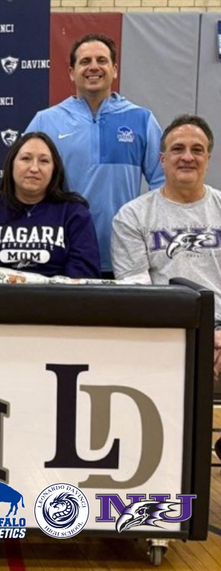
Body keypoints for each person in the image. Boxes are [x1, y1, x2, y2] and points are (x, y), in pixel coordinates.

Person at [25, 33, 164, 275]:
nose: (93, 67)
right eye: (85, 61)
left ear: (114, 70)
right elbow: (22, 183)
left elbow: (163, 183)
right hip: (62, 256)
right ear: (71, 72)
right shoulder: (45, 121)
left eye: (101, 60)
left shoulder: (142, 119)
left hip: (126, 254)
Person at [111, 114, 221, 382]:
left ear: (208, 159)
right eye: (177, 149)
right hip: (164, 330)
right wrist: (196, 338)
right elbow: (139, 298)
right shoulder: (132, 217)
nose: (187, 157)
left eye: (197, 150)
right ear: (162, 159)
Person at [0, 132, 100, 278]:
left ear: (54, 169)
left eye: (44, 161)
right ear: (11, 164)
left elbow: (83, 274)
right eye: (26, 159)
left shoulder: (74, 213)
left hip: (59, 292)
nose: (34, 168)